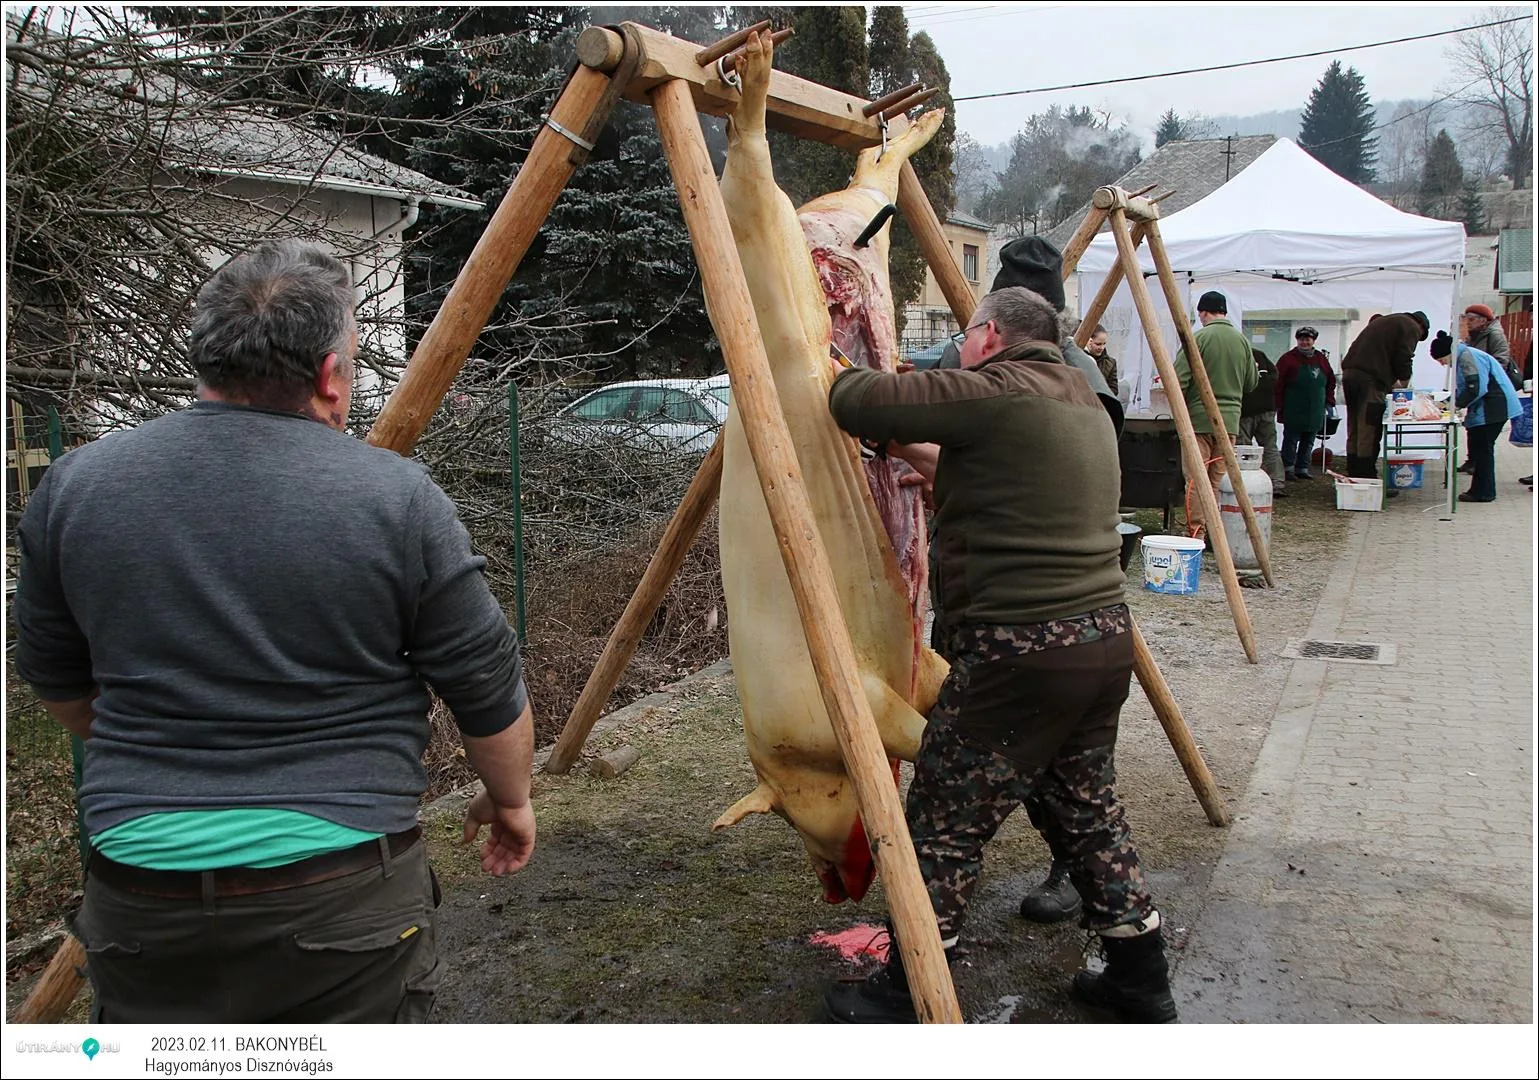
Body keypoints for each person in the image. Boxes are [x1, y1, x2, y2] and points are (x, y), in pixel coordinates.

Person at [13, 240, 537, 1024]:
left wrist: (168, 738)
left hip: (138, 893)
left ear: (207, 358)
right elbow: (485, 689)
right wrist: (510, 800)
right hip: (339, 894)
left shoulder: (77, 486)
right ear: (329, 375)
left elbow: (55, 679)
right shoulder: (395, 498)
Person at [822, 286, 1176, 1025]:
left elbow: (860, 400)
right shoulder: (1077, 396)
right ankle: (1139, 977)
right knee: (1085, 809)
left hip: (1020, 652)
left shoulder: (999, 386)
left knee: (944, 813)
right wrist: (924, 462)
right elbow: (1007, 484)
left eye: (964, 335)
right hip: (1097, 642)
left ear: (986, 335)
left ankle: (913, 984)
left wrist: (827, 363)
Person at [934, 235, 1125, 926]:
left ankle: (920, 963)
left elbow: (1044, 472)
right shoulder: (997, 362)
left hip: (1036, 610)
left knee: (956, 794)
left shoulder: (1070, 378)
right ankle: (1131, 943)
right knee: (1070, 776)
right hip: (1052, 609)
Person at [1172, 290, 1256, 542]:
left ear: (1204, 313)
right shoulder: (1242, 341)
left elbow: (1178, 379)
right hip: (1229, 422)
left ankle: (1197, 533)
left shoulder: (1199, 338)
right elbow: (1251, 382)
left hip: (1198, 421)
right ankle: (1217, 536)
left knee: (1196, 481)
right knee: (1216, 481)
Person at [1431, 328, 1522, 503]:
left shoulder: (1467, 358)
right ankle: (1481, 489)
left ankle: (1484, 492)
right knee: (1480, 447)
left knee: (1482, 449)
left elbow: (1476, 388)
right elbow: (1467, 388)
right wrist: (1448, 403)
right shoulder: (1465, 355)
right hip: (1493, 406)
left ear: (1448, 353)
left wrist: (1455, 405)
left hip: (1494, 407)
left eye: (1442, 360)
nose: (1443, 364)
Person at [1339, 310, 1429, 481]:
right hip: (1370, 381)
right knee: (1369, 428)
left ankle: (1353, 471)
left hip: (1350, 375)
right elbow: (1404, 357)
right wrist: (1404, 383)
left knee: (1355, 426)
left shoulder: (1388, 321)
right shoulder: (1411, 327)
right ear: (1422, 327)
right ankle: (1366, 476)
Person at [1458, 305, 1516, 475]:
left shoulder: (1494, 335)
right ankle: (1472, 460)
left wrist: (1487, 380)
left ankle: (1477, 463)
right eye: (1466, 319)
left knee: (1483, 432)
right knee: (1473, 426)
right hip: (1478, 387)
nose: (1468, 323)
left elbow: (1501, 359)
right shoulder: (1474, 335)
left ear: (1483, 320)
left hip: (1490, 388)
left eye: (1472, 319)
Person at [1274, 327, 1336, 482]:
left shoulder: (1321, 359)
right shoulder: (1288, 359)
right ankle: (1288, 468)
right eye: (1301, 339)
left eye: (1308, 339)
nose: (1304, 342)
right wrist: (1277, 404)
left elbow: (1330, 381)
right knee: (1291, 439)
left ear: (1313, 341)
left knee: (1309, 440)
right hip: (1294, 407)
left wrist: (1329, 402)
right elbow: (1278, 383)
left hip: (1315, 408)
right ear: (1297, 340)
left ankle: (1302, 467)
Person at [1238, 346, 1287, 497]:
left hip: (1246, 408)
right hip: (1267, 406)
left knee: (1243, 446)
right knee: (1270, 446)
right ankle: (1277, 482)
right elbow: (1275, 375)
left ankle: (1244, 482)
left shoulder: (1237, 354)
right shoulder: (1259, 354)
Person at [1085, 323, 1118, 390]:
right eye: (1098, 344)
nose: (1102, 347)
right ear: (1089, 341)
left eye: (1104, 344)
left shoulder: (1110, 363)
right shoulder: (1080, 359)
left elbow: (1113, 389)